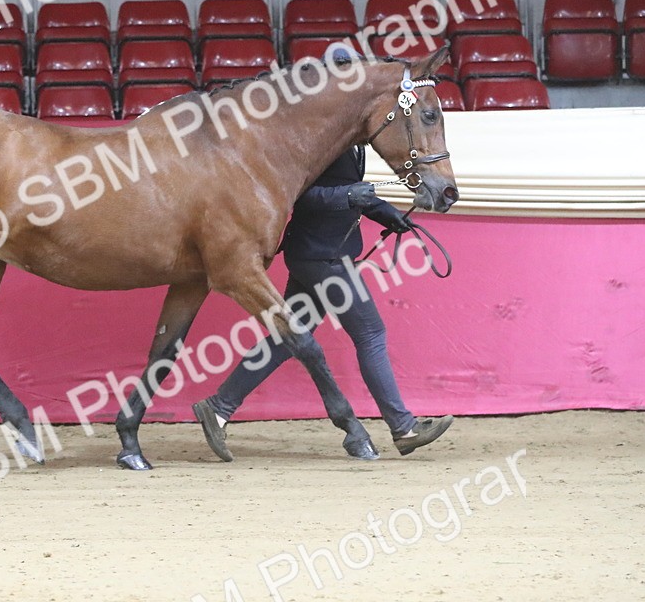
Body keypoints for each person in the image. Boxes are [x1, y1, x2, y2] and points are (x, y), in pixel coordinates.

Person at [193, 145, 453, 461]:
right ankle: (403, 428)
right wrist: (348, 197)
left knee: (286, 340)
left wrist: (387, 213)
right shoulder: (323, 138)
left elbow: (351, 191)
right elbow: (298, 194)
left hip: (315, 253)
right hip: (324, 258)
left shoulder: (352, 142)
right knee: (370, 334)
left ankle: (218, 408)